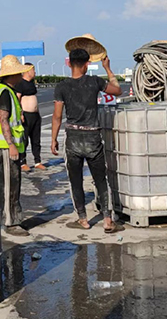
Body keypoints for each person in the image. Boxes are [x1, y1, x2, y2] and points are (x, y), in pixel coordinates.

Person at [51, 47, 123, 232]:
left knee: (75, 180)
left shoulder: (62, 86)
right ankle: (108, 221)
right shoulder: (95, 82)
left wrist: (54, 139)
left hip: (73, 138)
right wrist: (107, 68)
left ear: (69, 63)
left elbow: (57, 116)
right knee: (101, 179)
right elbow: (117, 91)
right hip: (93, 137)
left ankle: (83, 219)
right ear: (87, 64)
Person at [0, 55, 33, 237]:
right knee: (9, 185)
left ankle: (14, 218)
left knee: (13, 183)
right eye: (18, 73)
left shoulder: (8, 91)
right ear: (12, 75)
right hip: (5, 147)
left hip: (9, 147)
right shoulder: (5, 92)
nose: (21, 76)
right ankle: (10, 222)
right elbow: (3, 119)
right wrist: (11, 144)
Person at [16, 63, 45, 172]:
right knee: (24, 140)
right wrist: (21, 114)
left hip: (35, 115)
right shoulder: (20, 84)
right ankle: (23, 162)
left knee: (36, 140)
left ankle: (37, 161)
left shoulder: (32, 83)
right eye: (33, 70)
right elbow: (18, 99)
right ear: (27, 71)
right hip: (26, 115)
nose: (35, 72)